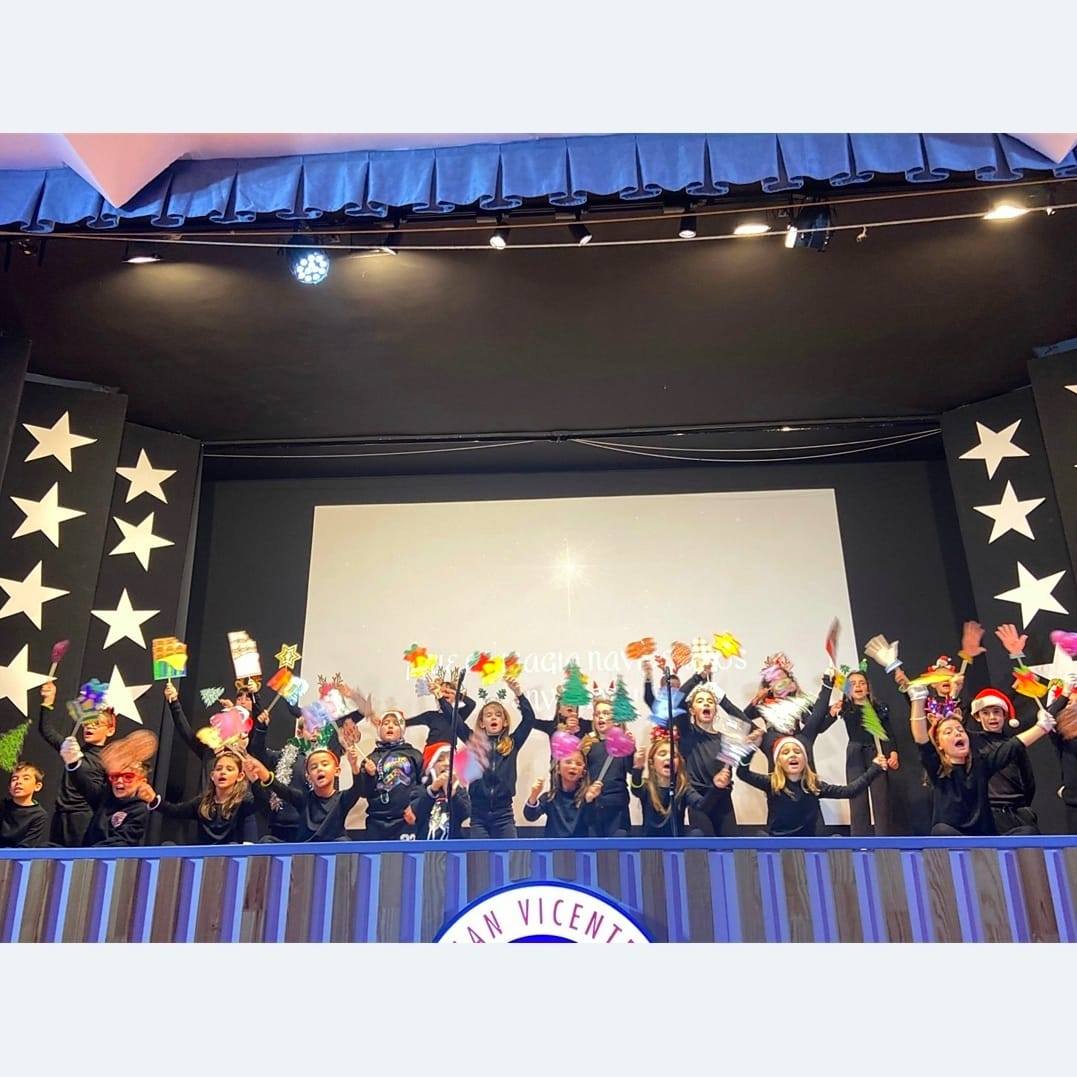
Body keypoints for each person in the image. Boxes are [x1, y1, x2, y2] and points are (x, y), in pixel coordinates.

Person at [908, 683, 1053, 836]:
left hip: (985, 839)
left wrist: (1041, 727)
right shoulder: (938, 769)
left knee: (1027, 832)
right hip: (955, 839)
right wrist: (917, 700)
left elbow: (1011, 747)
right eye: (948, 732)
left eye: (960, 730)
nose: (957, 733)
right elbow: (921, 739)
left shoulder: (980, 765)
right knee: (941, 831)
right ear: (939, 745)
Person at [734, 735, 886, 837]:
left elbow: (850, 791)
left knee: (837, 840)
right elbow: (742, 773)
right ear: (778, 762)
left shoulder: (813, 786)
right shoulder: (772, 783)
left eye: (797, 752)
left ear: (805, 760)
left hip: (808, 844)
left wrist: (875, 768)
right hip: (778, 845)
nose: (792, 755)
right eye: (785, 752)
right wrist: (750, 749)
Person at [37, 680, 113, 846]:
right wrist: (48, 701)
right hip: (60, 815)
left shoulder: (109, 760)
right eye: (87, 722)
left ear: (110, 730)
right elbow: (46, 731)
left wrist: (76, 763)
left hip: (84, 819)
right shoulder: (71, 749)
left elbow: (101, 796)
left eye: (97, 723)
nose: (89, 727)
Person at [829, 670, 899, 836]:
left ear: (868, 688)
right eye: (853, 684)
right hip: (855, 753)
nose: (858, 686)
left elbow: (888, 732)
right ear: (848, 689)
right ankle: (860, 840)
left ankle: (883, 840)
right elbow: (836, 679)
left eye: (862, 683)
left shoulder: (878, 708)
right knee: (857, 796)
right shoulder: (846, 707)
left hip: (876, 753)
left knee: (881, 797)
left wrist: (893, 752)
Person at [464, 677, 536, 838]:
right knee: (479, 854)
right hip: (478, 815)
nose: (493, 718)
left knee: (512, 853)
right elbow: (456, 723)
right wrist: (442, 699)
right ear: (482, 723)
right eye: (488, 715)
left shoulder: (512, 743)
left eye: (498, 715)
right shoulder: (475, 742)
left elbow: (530, 719)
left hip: (504, 815)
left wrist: (518, 693)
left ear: (504, 722)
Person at [246, 745, 363, 842]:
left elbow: (358, 788)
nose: (319, 769)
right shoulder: (304, 799)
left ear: (337, 771)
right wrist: (262, 773)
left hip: (331, 849)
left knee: (344, 842)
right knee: (267, 841)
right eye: (314, 767)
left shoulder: (342, 799)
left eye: (325, 764)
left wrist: (354, 766)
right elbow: (281, 789)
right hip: (304, 851)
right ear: (308, 777)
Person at [147, 749, 262, 845]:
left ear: (240, 776)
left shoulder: (244, 802)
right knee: (168, 846)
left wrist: (254, 779)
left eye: (229, 769)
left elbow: (262, 800)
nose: (222, 772)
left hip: (231, 857)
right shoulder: (203, 802)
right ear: (212, 776)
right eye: (218, 769)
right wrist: (153, 799)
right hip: (204, 857)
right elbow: (175, 810)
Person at [967, 688, 1039, 834]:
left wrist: (1023, 806)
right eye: (985, 713)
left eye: (996, 712)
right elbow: (955, 725)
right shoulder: (973, 741)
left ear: (1004, 715)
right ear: (977, 717)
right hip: (989, 812)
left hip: (1017, 811)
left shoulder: (1014, 744)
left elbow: (1028, 779)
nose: (992, 717)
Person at [356, 709, 424, 840]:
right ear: (379, 729)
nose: (390, 726)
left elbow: (424, 784)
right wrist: (369, 775)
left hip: (406, 820)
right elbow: (363, 792)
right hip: (377, 822)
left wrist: (415, 807)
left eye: (395, 723)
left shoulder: (414, 754)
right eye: (386, 723)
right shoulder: (370, 759)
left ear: (402, 730)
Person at [629, 731, 706, 837]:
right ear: (652, 763)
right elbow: (636, 788)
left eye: (674, 755)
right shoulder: (647, 787)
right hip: (651, 845)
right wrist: (637, 768)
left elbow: (702, 805)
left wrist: (717, 787)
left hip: (676, 845)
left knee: (697, 834)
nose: (669, 758)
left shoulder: (683, 788)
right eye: (662, 754)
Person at [581, 701, 635, 837]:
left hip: (618, 808)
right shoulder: (588, 745)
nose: (600, 717)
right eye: (597, 714)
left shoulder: (622, 744)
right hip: (594, 806)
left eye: (606, 713)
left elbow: (631, 769)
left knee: (618, 846)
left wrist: (631, 750)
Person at [523, 746, 602, 837]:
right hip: (554, 845)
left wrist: (589, 801)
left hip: (579, 845)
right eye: (568, 762)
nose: (573, 766)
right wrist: (534, 795)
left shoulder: (587, 796)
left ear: (583, 773)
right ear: (558, 769)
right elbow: (530, 816)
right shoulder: (550, 797)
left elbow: (591, 821)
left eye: (579, 764)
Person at [409, 743, 471, 839]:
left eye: (450, 760)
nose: (447, 764)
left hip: (451, 844)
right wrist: (432, 790)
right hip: (425, 844)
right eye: (440, 760)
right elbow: (415, 813)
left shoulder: (460, 791)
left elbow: (465, 814)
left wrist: (453, 795)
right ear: (431, 766)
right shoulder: (420, 789)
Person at [0, 761, 48, 848]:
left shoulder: (39, 815)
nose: (18, 782)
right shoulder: (2, 806)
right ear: (9, 788)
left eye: (26, 778)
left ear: (37, 786)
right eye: (14, 779)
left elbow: (28, 844)